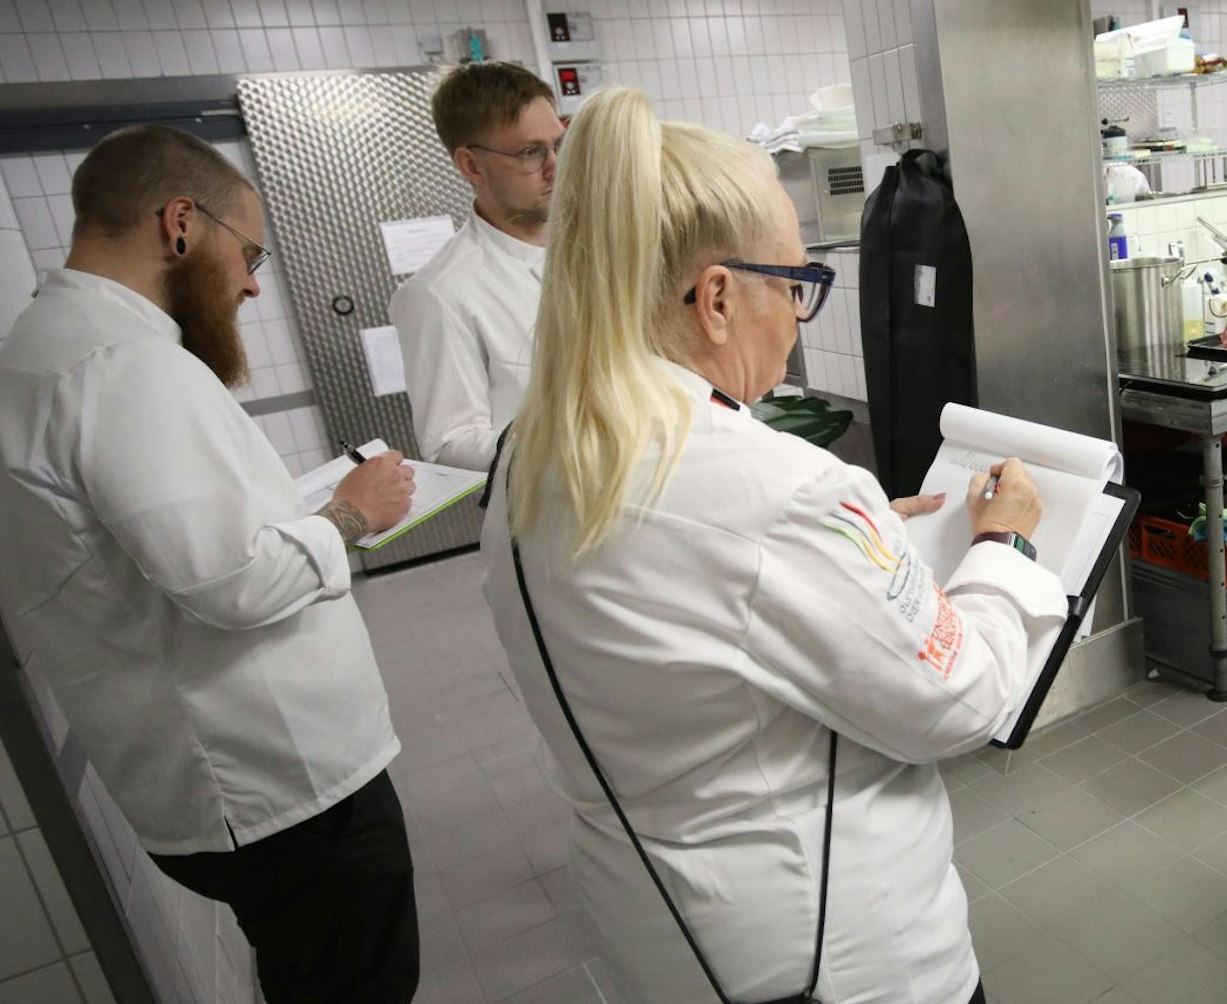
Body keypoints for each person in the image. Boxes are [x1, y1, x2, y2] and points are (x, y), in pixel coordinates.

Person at [479, 87, 1067, 1004]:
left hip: (666, 933)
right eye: (796, 286)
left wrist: (856, 551)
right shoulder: (774, 489)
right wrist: (1003, 547)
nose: (797, 317)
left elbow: (698, 595)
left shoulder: (537, 447)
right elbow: (958, 704)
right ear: (716, 296)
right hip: (832, 958)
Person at [0, 126, 420, 1003]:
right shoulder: (122, 366)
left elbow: (175, 546)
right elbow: (232, 581)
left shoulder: (46, 346)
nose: (252, 282)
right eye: (249, 253)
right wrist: (351, 514)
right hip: (277, 787)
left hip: (219, 784)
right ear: (181, 223)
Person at [391, 60, 564, 471]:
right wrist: (573, 449)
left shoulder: (599, 245)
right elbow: (450, 443)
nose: (555, 166)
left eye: (559, 145)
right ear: (471, 165)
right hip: (555, 502)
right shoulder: (440, 293)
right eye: (530, 152)